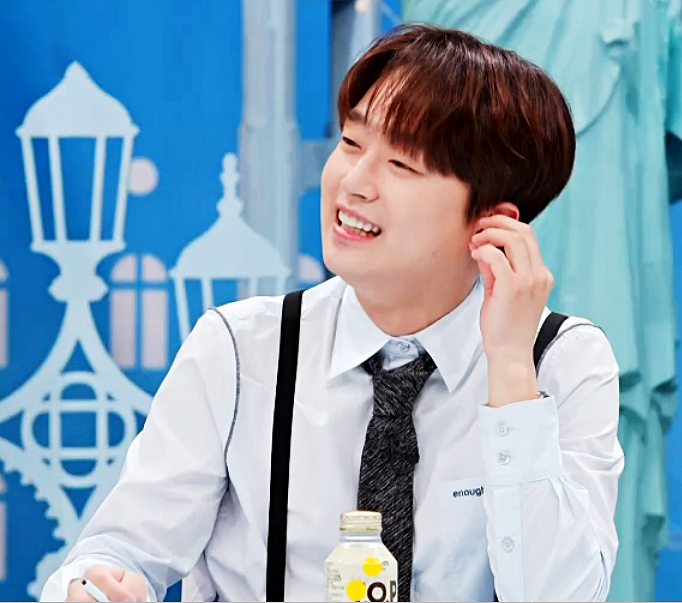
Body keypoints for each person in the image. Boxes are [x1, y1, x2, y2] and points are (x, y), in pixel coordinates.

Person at [42, 24, 624, 602]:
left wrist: (512, 374)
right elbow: (118, 551)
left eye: (402, 165)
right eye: (350, 142)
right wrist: (94, 587)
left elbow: (561, 595)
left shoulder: (562, 361)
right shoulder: (240, 347)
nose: (355, 181)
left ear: (491, 222)